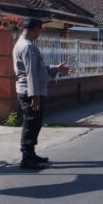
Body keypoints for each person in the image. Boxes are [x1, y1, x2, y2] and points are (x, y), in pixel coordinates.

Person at [13, 18, 69, 169]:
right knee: (31, 124)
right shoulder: (28, 47)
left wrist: (55, 68)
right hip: (31, 91)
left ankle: (31, 154)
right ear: (34, 29)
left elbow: (38, 68)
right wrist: (34, 95)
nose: (39, 34)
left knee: (34, 123)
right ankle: (27, 158)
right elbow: (31, 73)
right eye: (39, 30)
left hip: (30, 90)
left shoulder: (22, 44)